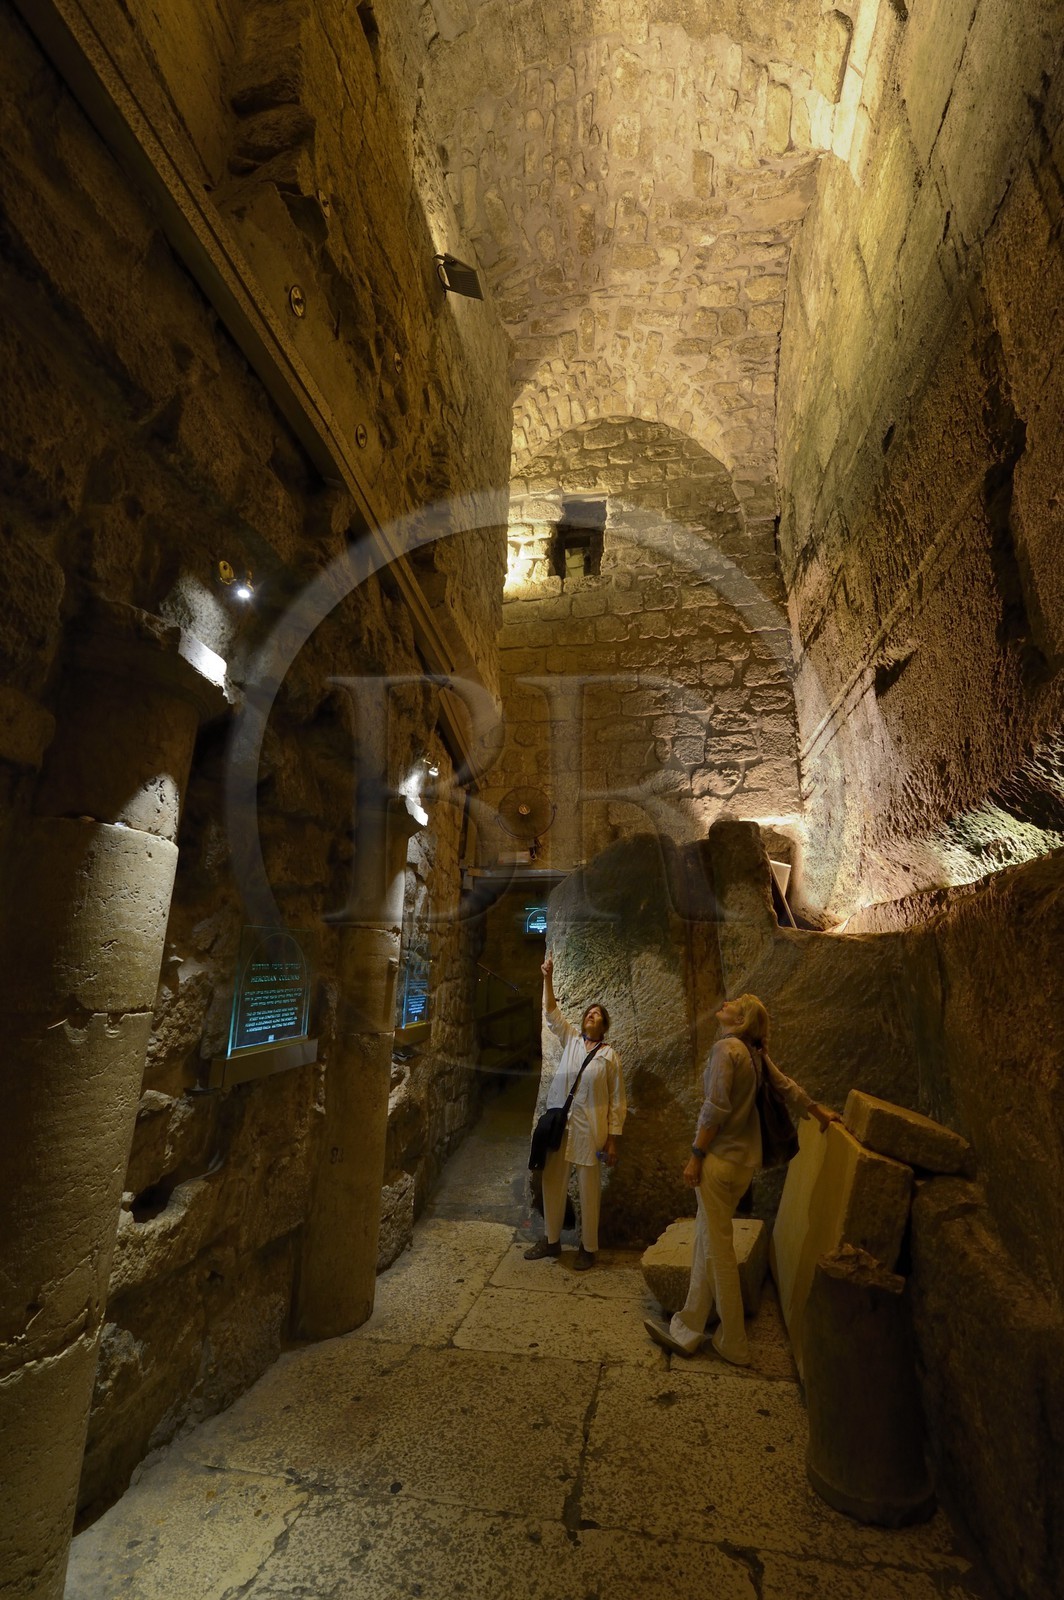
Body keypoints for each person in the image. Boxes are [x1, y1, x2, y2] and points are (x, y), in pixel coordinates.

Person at [643, 992, 839, 1365]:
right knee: (706, 1239)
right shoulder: (755, 1055)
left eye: (735, 1002)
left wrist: (695, 1155)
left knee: (719, 1251)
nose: (727, 1002)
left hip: (718, 1163)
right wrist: (821, 1113)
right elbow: (788, 1088)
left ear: (741, 1018)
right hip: (743, 1168)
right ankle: (687, 1326)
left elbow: (714, 1108)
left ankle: (734, 1341)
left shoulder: (727, 1050)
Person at [524, 954, 627, 1271]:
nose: (592, 1015)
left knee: (588, 1189)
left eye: (598, 1015)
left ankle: (589, 1247)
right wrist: (547, 977)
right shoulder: (570, 1040)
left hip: (589, 1132)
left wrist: (612, 1140)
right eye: (590, 1013)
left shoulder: (609, 1057)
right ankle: (551, 1241)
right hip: (560, 1127)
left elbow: (617, 1101)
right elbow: (551, 1012)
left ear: (604, 1025)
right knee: (552, 1184)